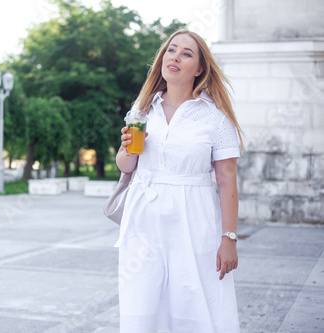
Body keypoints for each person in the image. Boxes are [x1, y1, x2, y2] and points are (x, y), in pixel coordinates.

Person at [115, 29, 243, 333]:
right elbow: (126, 165)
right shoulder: (142, 110)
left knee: (193, 301)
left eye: (187, 53)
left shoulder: (215, 118)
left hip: (194, 219)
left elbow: (227, 181)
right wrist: (126, 148)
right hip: (144, 220)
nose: (175, 56)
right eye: (171, 50)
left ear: (199, 69)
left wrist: (229, 238)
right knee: (141, 300)